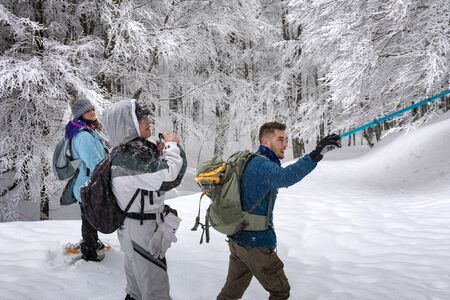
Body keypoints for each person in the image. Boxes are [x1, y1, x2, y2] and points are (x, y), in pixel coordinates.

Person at [217, 121, 341, 300]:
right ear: (266, 142)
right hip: (255, 243)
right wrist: (316, 154)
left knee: (231, 293)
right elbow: (285, 177)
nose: (285, 144)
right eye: (280, 140)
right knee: (280, 291)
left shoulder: (252, 161)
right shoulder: (261, 165)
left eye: (286, 139)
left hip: (239, 240)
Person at [102, 99, 187, 300]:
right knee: (155, 291)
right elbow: (170, 176)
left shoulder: (132, 152)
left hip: (137, 226)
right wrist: (173, 146)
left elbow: (159, 180)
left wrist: (161, 154)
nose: (149, 121)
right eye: (141, 118)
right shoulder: (128, 158)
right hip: (140, 229)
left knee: (137, 289)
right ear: (128, 124)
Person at [66, 95, 107, 261]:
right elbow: (95, 162)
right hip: (87, 184)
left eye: (92, 109)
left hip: (88, 182)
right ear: (80, 114)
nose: (91, 112)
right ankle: (89, 251)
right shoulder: (83, 135)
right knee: (89, 218)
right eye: (87, 110)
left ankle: (92, 242)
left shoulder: (88, 131)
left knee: (90, 216)